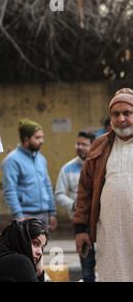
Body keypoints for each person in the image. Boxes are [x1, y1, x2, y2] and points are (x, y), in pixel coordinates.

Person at [74, 88, 133, 282]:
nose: (121, 119)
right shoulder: (100, 146)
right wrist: (81, 230)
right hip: (110, 232)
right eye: (116, 114)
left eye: (127, 113)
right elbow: (85, 191)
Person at [1, 119, 57, 231]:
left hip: (44, 215)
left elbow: (47, 185)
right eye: (37, 137)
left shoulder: (41, 158)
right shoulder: (12, 160)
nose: (42, 141)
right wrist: (19, 215)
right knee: (27, 248)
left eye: (42, 137)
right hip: (26, 215)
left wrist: (52, 212)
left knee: (41, 248)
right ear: (26, 139)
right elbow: (10, 190)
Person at [55, 131, 96, 282]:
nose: (79, 147)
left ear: (93, 146)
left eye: (83, 144)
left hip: (101, 223)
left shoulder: (99, 166)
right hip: (81, 226)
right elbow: (59, 194)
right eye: (77, 144)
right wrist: (74, 205)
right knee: (86, 266)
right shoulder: (67, 168)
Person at [0, 218, 48, 282]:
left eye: (42, 247)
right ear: (21, 240)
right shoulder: (20, 262)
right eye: (35, 243)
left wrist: (39, 272)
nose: (40, 252)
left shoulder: (2, 257)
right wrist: (39, 274)